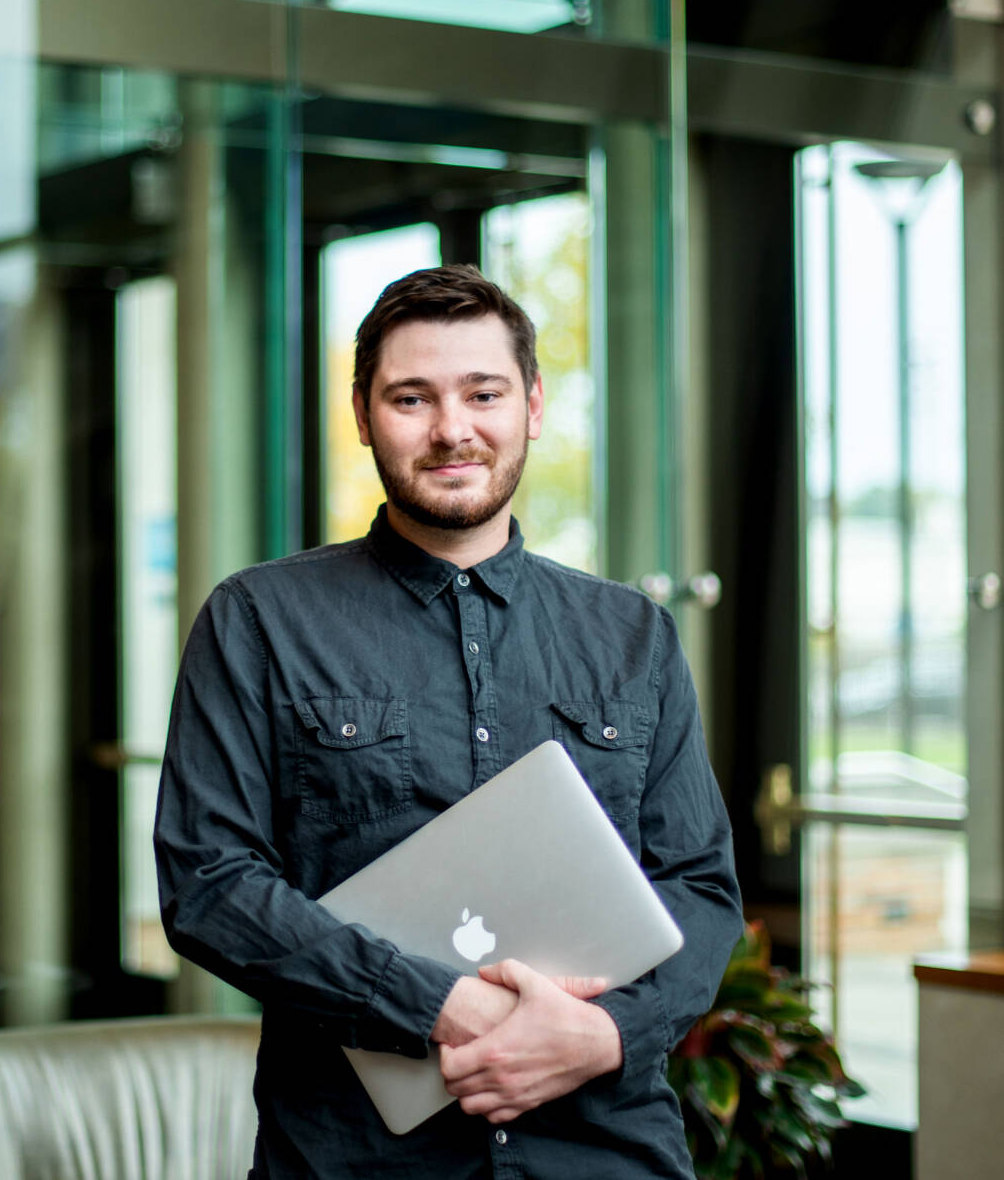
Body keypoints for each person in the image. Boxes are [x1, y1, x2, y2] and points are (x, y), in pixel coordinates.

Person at [154, 264, 742, 1177]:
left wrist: (605, 1035)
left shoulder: (634, 635)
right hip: (357, 1159)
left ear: (533, 405)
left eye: (483, 393)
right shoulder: (257, 621)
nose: (451, 428)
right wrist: (436, 1004)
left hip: (607, 1154)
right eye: (411, 397)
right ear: (362, 414)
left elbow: (699, 888)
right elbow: (209, 882)